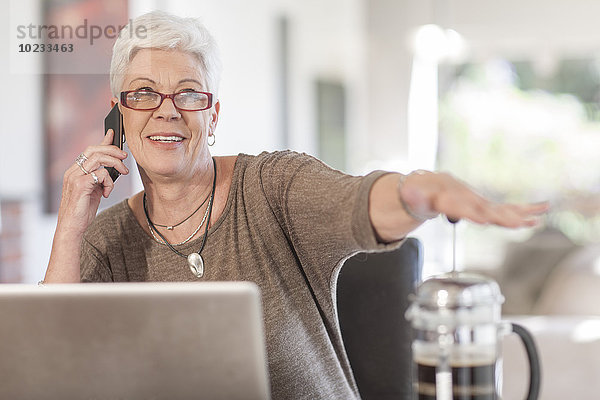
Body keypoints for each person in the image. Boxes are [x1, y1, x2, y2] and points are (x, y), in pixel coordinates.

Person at [43, 10, 548, 400]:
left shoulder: (273, 186)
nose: (166, 111)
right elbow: (51, 366)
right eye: (144, 94)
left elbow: (360, 202)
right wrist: (70, 226)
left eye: (189, 94)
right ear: (119, 117)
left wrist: (416, 191)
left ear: (212, 116)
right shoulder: (106, 240)